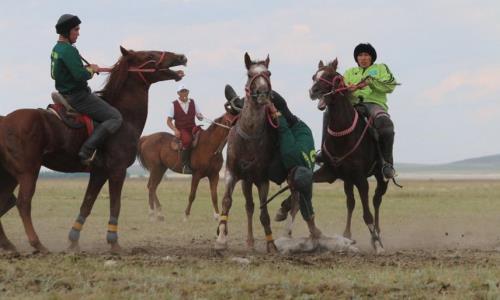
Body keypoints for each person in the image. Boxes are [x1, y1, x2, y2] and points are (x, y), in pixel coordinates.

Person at [224, 86, 322, 238]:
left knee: (288, 182)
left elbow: (305, 199)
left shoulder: (300, 170)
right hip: (292, 131)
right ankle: (239, 104)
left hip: (296, 138)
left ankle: (293, 214)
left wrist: (272, 108)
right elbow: (282, 129)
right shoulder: (291, 154)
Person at [317, 43, 398, 180]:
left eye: (366, 55)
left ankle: (387, 163)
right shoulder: (349, 72)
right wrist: (348, 89)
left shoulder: (380, 68)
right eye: (360, 55)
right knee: (328, 114)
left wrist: (370, 82)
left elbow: (390, 85)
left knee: (386, 125)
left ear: (371, 57)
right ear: (357, 58)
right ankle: (324, 154)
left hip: (374, 104)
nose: (363, 58)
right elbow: (340, 88)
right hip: (352, 105)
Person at [51, 14, 123, 165]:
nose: (78, 33)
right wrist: (90, 70)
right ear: (66, 31)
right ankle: (87, 150)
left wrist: (86, 67)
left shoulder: (57, 49)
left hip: (65, 93)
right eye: (76, 29)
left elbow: (55, 74)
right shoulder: (68, 50)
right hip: (78, 96)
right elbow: (80, 76)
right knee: (115, 117)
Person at [166, 85, 204, 174]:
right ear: (178, 93)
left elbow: (200, 116)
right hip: (181, 129)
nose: (184, 93)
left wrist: (200, 116)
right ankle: (184, 165)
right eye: (182, 91)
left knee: (204, 136)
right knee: (187, 140)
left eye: (185, 91)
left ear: (188, 92)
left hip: (193, 127)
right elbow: (168, 121)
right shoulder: (174, 104)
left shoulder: (193, 102)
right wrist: (175, 130)